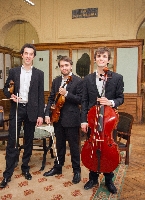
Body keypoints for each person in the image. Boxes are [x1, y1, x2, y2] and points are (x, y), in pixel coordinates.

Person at [0, 43, 44, 188]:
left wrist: (40, 115)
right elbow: (6, 89)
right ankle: (8, 173)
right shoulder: (13, 71)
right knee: (12, 140)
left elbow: (40, 96)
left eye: (31, 54)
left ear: (34, 57)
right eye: (26, 53)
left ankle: (25, 167)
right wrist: (10, 95)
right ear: (22, 55)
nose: (28, 56)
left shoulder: (39, 74)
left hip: (32, 110)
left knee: (29, 141)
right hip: (17, 109)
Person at [81, 47, 124, 194]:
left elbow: (120, 98)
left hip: (108, 122)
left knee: (107, 150)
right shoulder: (87, 79)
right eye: (98, 56)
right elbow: (85, 101)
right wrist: (84, 120)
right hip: (92, 120)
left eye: (104, 56)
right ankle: (92, 177)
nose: (101, 59)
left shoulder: (117, 78)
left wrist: (110, 102)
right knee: (92, 149)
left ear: (108, 60)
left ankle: (108, 179)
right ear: (95, 59)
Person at [43, 56, 82, 184]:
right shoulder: (56, 81)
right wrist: (47, 113)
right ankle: (58, 167)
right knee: (59, 145)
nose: (64, 68)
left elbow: (80, 100)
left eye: (66, 65)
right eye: (61, 66)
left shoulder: (78, 81)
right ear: (59, 67)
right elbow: (51, 99)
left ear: (71, 66)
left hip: (72, 118)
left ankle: (76, 171)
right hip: (57, 118)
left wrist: (66, 94)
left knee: (74, 146)